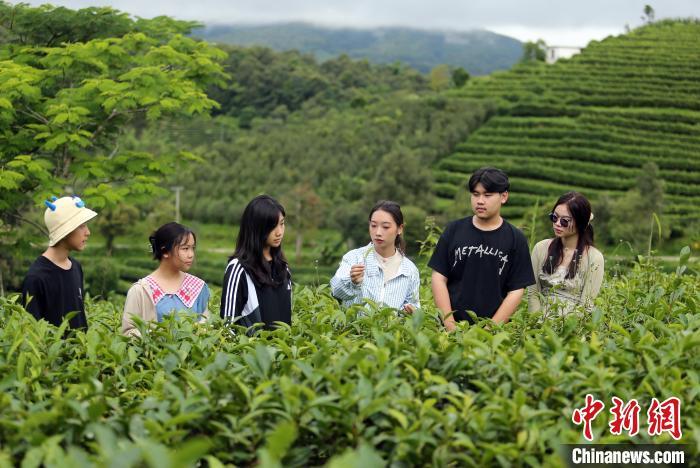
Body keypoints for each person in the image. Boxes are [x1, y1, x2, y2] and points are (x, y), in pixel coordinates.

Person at [429, 167, 535, 330]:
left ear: (504, 196)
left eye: (487, 195)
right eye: (475, 194)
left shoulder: (515, 239)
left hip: (493, 332)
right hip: (448, 328)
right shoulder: (454, 230)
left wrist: (489, 329)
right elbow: (438, 277)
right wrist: (450, 325)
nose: (480, 201)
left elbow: (516, 290)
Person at [21, 195, 98, 329]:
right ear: (65, 230)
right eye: (81, 226)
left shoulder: (76, 267)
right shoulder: (36, 278)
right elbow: (32, 333)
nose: (88, 232)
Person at [122, 222, 210, 337]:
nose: (191, 254)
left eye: (192, 248)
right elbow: (128, 332)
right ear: (165, 251)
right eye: (185, 248)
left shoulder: (198, 287)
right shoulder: (141, 291)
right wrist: (155, 337)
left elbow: (207, 327)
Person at [330, 200, 420, 313]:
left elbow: (414, 305)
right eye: (373, 225)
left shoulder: (409, 270)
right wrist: (353, 282)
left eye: (385, 227)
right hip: (356, 330)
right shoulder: (354, 258)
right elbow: (336, 291)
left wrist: (410, 311)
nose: (378, 232)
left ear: (399, 229)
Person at [220, 195, 292, 329]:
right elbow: (227, 325)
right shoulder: (239, 269)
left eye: (281, 224)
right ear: (256, 228)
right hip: (253, 349)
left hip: (283, 348)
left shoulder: (283, 268)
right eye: (272, 226)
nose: (279, 232)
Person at [528, 192, 604, 315]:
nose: (557, 223)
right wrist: (536, 324)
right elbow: (533, 294)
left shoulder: (594, 258)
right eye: (554, 217)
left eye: (565, 221)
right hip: (538, 325)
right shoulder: (541, 248)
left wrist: (567, 329)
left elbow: (586, 304)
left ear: (581, 223)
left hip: (573, 327)